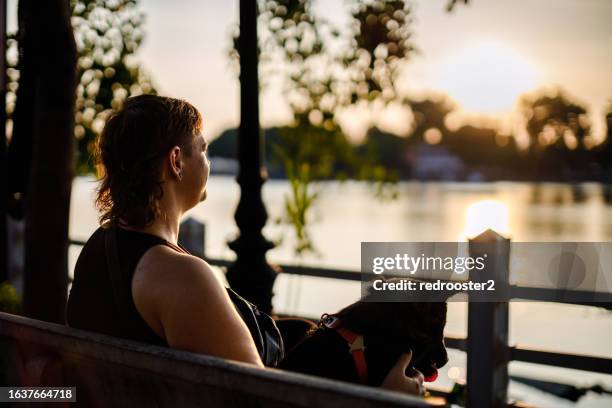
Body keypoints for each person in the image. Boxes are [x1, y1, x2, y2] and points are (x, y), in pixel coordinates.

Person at [66, 94, 424, 395]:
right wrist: (380, 397)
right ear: (176, 162)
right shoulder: (180, 276)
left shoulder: (101, 247)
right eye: (202, 151)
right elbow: (257, 400)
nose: (206, 161)